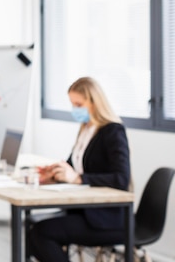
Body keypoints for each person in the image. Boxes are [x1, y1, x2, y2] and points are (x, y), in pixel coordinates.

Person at [28, 77, 131, 262]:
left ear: (94, 102)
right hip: (82, 211)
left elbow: (121, 179)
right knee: (32, 234)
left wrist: (78, 179)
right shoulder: (86, 129)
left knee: (40, 234)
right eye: (72, 104)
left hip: (106, 219)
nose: (75, 109)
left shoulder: (113, 131)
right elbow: (72, 167)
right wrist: (54, 173)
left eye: (78, 104)